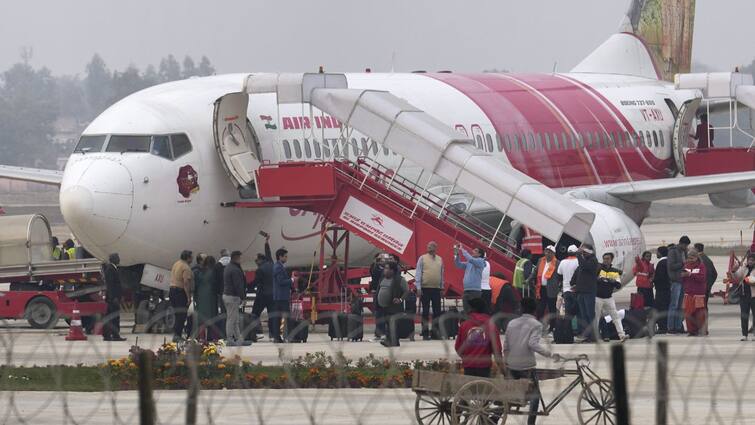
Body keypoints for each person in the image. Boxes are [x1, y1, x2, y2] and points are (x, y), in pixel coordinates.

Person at [504, 298, 561, 425]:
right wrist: (550, 354)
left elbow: (506, 347)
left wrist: (506, 363)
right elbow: (533, 344)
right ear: (535, 310)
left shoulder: (511, 323)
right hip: (526, 367)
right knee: (535, 397)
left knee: (509, 395)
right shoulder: (536, 324)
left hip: (511, 366)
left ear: (521, 308)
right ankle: (531, 423)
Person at [455, 297, 503, 377]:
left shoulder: (464, 325)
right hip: (484, 366)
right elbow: (497, 349)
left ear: (472, 309)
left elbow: (458, 347)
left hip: (468, 367)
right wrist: (502, 368)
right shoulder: (491, 325)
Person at [415, 241, 444, 340]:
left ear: (435, 247)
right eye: (428, 246)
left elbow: (441, 274)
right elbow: (418, 273)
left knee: (437, 311)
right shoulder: (422, 258)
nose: (428, 247)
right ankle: (425, 333)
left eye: (431, 246)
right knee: (425, 311)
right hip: (425, 289)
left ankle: (436, 333)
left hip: (436, 289)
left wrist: (442, 287)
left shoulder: (440, 259)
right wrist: (418, 287)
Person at [596, 253, 627, 342]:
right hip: (598, 297)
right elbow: (593, 278)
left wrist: (612, 281)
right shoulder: (599, 269)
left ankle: (622, 335)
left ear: (611, 260)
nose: (606, 260)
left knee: (616, 317)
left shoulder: (614, 271)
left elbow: (618, 285)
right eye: (604, 258)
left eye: (608, 259)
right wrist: (599, 279)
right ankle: (595, 336)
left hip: (609, 298)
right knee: (596, 318)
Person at [378, 261, 409, 347]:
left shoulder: (400, 279)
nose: (385, 270)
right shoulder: (382, 278)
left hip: (394, 307)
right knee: (388, 323)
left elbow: (406, 291)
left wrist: (400, 299)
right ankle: (392, 341)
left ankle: (392, 341)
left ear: (392, 270)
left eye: (387, 268)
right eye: (385, 268)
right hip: (384, 306)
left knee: (393, 324)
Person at [574, 243, 599, 342]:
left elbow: (584, 266)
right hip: (582, 292)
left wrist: (579, 255)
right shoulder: (585, 260)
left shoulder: (593, 260)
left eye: (584, 252)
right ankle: (587, 335)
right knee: (584, 315)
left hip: (589, 292)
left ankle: (594, 335)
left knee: (590, 314)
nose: (583, 253)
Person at [223, 251, 248, 346]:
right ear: (236, 258)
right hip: (232, 296)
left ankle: (239, 339)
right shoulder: (234, 269)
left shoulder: (229, 267)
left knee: (235, 319)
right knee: (231, 319)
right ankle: (229, 339)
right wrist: (243, 297)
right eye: (240, 258)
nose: (241, 260)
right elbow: (238, 285)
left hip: (229, 295)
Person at [681, 249, 707, 336]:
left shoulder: (701, 266)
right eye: (688, 258)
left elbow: (702, 278)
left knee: (699, 314)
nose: (690, 260)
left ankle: (701, 329)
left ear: (696, 258)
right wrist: (683, 276)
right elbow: (682, 278)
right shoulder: (686, 266)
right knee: (688, 313)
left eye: (692, 258)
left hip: (698, 294)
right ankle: (691, 331)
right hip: (688, 293)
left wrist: (690, 275)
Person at [667, 236, 690, 334]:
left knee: (681, 305)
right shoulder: (673, 251)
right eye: (685, 245)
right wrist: (682, 263)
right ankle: (671, 327)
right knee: (674, 305)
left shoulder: (684, 252)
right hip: (676, 281)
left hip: (683, 280)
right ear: (681, 243)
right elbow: (671, 266)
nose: (686, 247)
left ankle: (678, 326)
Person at [252, 244, 275, 339]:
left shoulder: (260, 270)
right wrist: (266, 243)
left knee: (255, 314)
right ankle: (273, 334)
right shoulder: (271, 264)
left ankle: (258, 332)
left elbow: (255, 282)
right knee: (272, 315)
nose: (255, 262)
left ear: (260, 260)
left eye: (256, 260)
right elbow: (268, 254)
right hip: (273, 295)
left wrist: (245, 286)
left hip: (262, 295)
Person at [454, 245, 486, 314]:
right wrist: (456, 254)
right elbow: (458, 265)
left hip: (475, 291)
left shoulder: (480, 261)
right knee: (467, 311)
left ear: (480, 254)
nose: (473, 251)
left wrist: (463, 250)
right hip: (466, 290)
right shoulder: (470, 262)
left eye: (475, 251)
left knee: (474, 311)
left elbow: (471, 259)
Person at [170, 250, 194, 342]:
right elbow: (186, 283)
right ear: (188, 258)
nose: (192, 259)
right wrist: (188, 297)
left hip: (172, 290)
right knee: (182, 314)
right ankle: (177, 335)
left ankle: (176, 334)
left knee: (177, 314)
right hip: (180, 292)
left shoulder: (177, 263)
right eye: (191, 257)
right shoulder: (186, 267)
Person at [534, 245, 559, 333]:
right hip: (541, 288)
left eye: (549, 252)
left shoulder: (557, 263)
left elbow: (560, 275)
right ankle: (539, 327)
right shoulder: (540, 260)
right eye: (546, 251)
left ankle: (552, 328)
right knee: (540, 309)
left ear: (553, 253)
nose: (547, 253)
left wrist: (558, 285)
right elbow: (536, 271)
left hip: (552, 289)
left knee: (552, 309)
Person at [102, 253, 126, 341]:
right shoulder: (110, 269)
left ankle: (107, 335)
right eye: (117, 258)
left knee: (109, 317)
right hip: (112, 298)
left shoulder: (112, 268)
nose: (119, 259)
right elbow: (111, 285)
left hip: (113, 297)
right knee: (114, 317)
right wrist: (114, 298)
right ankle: (115, 335)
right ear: (114, 259)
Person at [732, 253, 755, 341]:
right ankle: (744, 334)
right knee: (744, 315)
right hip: (744, 295)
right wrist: (734, 271)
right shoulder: (744, 268)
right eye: (749, 260)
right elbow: (737, 278)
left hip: (753, 296)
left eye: (752, 260)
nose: (750, 261)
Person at [196, 256, 219, 342]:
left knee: (202, 319)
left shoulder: (199, 272)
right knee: (212, 317)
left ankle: (202, 337)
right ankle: (213, 337)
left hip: (201, 296)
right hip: (211, 296)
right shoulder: (213, 272)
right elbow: (215, 284)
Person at [271, 247, 291, 344]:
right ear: (280, 257)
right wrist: (291, 280)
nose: (287, 258)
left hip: (280, 296)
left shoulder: (279, 266)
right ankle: (283, 335)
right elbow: (281, 281)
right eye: (285, 257)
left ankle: (277, 337)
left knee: (278, 317)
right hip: (281, 297)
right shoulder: (278, 267)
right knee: (285, 316)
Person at [556, 245, 579, 323]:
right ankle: (577, 329)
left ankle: (567, 329)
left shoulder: (562, 262)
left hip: (566, 290)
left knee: (567, 311)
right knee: (578, 311)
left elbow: (559, 276)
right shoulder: (578, 262)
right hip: (576, 290)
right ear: (576, 253)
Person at [652, 246, 671, 334]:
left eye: (657, 252)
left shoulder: (661, 263)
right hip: (667, 289)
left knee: (661, 308)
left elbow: (659, 277)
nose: (656, 254)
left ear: (661, 253)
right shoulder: (668, 261)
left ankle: (662, 327)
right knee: (666, 308)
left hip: (661, 290)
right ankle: (666, 325)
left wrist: (653, 280)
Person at [694, 243, 718, 308]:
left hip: (699, 287)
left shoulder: (697, 260)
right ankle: (705, 318)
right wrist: (709, 284)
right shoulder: (708, 260)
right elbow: (715, 274)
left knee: (698, 307)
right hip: (707, 287)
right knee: (705, 306)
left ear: (696, 249)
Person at [370, 253, 386, 341]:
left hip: (384, 292)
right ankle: (378, 333)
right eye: (380, 259)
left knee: (383, 313)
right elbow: (373, 271)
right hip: (377, 292)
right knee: (378, 313)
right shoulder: (375, 268)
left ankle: (383, 332)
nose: (382, 261)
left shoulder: (387, 269)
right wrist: (376, 262)